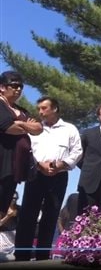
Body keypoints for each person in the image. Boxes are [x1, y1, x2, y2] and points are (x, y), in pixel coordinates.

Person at [14, 96, 82, 262]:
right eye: (39, 109)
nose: (40, 112)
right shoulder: (35, 128)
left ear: (55, 109)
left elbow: (77, 151)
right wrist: (39, 165)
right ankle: (21, 255)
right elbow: (27, 151)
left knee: (51, 215)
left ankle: (43, 256)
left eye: (44, 108)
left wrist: (62, 164)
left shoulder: (70, 129)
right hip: (35, 175)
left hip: (59, 176)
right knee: (28, 215)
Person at [0, 71, 42, 216]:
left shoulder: (21, 110)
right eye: (14, 85)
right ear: (2, 87)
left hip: (14, 167)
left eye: (21, 86)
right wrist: (25, 125)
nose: (18, 89)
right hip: (2, 162)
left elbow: (38, 128)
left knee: (2, 210)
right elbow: (8, 127)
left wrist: (20, 123)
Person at [0, 192, 19, 261]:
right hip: (4, 240)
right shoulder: (2, 209)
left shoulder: (18, 209)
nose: (14, 200)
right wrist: (8, 216)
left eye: (16, 198)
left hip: (14, 242)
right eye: (12, 198)